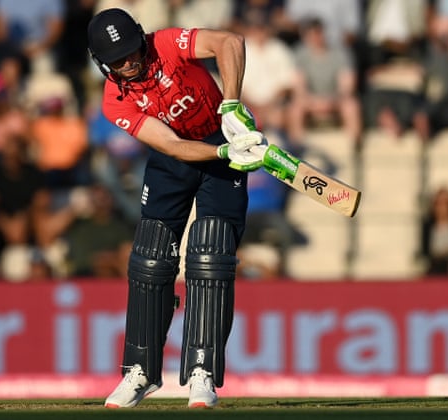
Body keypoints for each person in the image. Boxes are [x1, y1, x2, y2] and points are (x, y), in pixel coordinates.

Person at [87, 8, 266, 409]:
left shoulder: (165, 43)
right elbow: (169, 145)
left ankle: (202, 371)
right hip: (178, 157)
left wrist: (232, 107)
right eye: (118, 60)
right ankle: (141, 372)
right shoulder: (115, 102)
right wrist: (222, 150)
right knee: (149, 259)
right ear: (102, 64)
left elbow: (230, 43)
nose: (130, 62)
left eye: (132, 51)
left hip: (221, 136)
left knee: (211, 253)